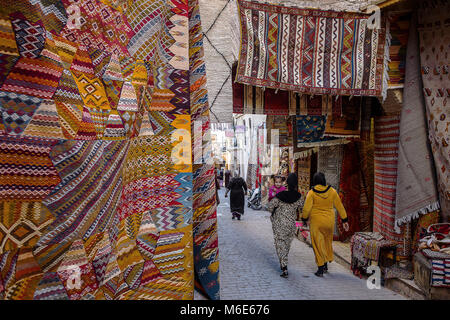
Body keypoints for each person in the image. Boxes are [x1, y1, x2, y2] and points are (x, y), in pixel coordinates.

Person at [301, 172, 349, 277]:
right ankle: (326, 264)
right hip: (329, 221)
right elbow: (340, 206)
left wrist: (304, 219)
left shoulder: (311, 193)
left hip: (316, 222)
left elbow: (306, 208)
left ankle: (320, 268)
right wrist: (345, 220)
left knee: (318, 244)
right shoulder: (332, 191)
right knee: (327, 242)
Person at [267, 173, 303, 278]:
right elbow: (302, 208)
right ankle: (284, 262)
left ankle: (284, 266)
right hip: (291, 225)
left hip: (279, 224)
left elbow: (269, 207)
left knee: (280, 244)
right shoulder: (299, 197)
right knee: (287, 245)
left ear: (286, 183)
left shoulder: (280, 195)